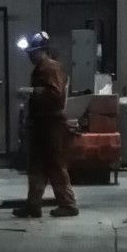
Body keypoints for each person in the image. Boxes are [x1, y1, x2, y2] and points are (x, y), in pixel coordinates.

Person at [16, 29, 78, 219]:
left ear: (41, 50)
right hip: (42, 125)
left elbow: (55, 95)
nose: (30, 57)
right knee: (36, 166)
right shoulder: (41, 69)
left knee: (55, 165)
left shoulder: (50, 68)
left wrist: (33, 92)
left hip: (51, 125)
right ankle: (33, 205)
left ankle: (68, 204)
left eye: (32, 53)